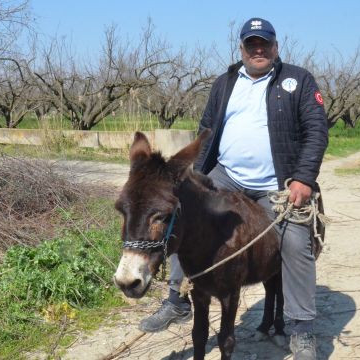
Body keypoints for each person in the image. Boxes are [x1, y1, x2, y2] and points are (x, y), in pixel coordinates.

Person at [139, 17, 328, 359]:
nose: (259, 49)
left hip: (278, 182)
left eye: (265, 43)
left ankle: (301, 328)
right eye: (251, 44)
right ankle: (176, 300)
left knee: (295, 240)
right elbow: (207, 126)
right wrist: (197, 171)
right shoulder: (225, 82)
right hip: (227, 175)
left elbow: (317, 131)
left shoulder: (297, 80)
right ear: (241, 48)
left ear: (276, 47)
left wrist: (304, 178)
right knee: (184, 219)